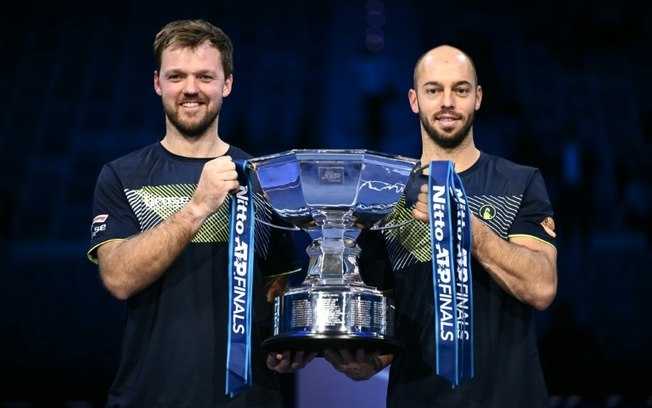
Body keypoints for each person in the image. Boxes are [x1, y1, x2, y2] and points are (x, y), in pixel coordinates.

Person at [269, 45, 558, 407]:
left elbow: (541, 287)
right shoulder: (384, 196)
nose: (447, 102)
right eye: (434, 90)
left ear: (478, 98)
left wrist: (467, 227)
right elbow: (384, 325)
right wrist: (360, 360)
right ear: (414, 100)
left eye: (461, 89)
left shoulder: (519, 182)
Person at [87, 19, 304, 407]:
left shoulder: (266, 179)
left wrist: (287, 341)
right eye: (177, 76)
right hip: (148, 398)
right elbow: (118, 278)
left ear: (227, 84)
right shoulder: (121, 176)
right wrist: (197, 207)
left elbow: (278, 288)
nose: (190, 89)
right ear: (157, 84)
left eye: (205, 76)